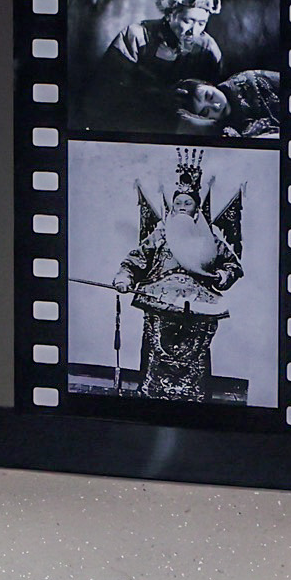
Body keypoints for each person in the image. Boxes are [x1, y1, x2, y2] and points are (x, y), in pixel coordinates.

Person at [113, 149, 245, 402]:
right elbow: (135, 260)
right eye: (178, 203)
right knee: (155, 358)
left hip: (199, 307)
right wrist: (124, 278)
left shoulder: (210, 240)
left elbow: (233, 265)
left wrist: (222, 275)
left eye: (188, 203)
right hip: (160, 304)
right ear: (172, 206)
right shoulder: (161, 236)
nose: (182, 207)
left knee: (194, 361)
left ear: (196, 208)